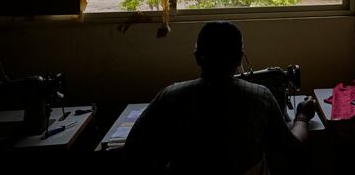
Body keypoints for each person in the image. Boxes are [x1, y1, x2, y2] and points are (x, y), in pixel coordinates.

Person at [124, 21, 316, 175]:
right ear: (240, 58)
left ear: (197, 57)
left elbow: (133, 148)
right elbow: (293, 146)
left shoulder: (170, 96)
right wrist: (302, 117)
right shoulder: (260, 97)